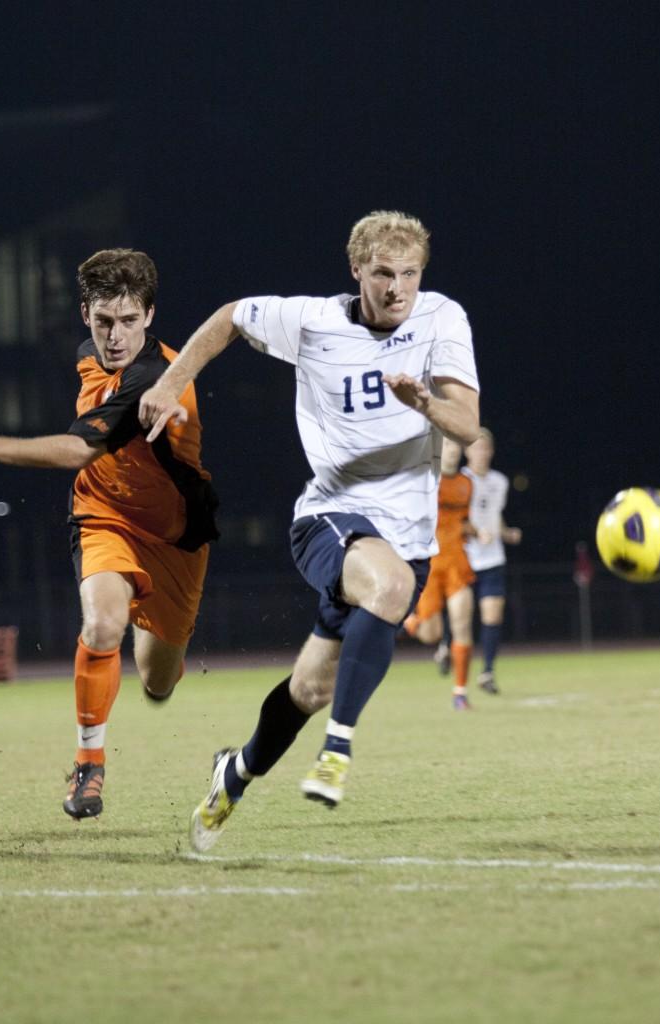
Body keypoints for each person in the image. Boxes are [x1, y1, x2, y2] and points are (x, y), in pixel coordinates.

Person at [137, 210, 480, 851]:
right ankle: (337, 754)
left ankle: (233, 774)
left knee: (310, 687)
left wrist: (425, 403)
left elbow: (467, 426)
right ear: (357, 271)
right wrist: (170, 380)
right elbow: (231, 317)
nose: (397, 288)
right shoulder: (313, 321)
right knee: (388, 584)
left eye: (409, 274)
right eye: (383, 274)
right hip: (329, 519)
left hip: (407, 541)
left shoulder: (443, 318)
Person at [0, 249, 218, 820]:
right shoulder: (87, 356)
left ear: (149, 315)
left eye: (128, 321)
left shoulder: (154, 376)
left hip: (175, 538)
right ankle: (89, 764)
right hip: (103, 515)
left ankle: (157, 645)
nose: (115, 336)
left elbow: (80, 447)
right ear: (85, 316)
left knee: (158, 682)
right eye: (103, 322)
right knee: (101, 623)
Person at [402, 437, 476, 709]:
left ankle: (460, 694)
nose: (453, 451)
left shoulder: (467, 484)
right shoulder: (425, 482)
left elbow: (464, 521)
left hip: (457, 563)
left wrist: (477, 531)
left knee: (462, 625)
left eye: (456, 447)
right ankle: (410, 622)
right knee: (431, 634)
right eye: (447, 446)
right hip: (430, 566)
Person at [461, 427, 521, 694]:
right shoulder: (459, 480)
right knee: (460, 617)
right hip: (464, 558)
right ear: (466, 451)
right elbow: (452, 520)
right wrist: (474, 531)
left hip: (493, 558)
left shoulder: (500, 481)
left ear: (491, 452)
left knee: (492, 614)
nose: (481, 453)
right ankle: (445, 646)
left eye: (485, 448)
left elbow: (495, 514)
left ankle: (487, 671)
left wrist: (506, 533)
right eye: (476, 448)